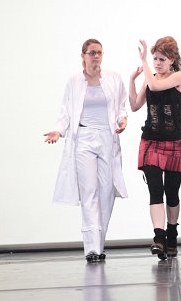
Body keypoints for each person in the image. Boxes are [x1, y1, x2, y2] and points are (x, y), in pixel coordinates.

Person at [44, 38, 128, 263]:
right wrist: (58, 131)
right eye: (92, 53)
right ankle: (92, 248)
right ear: (83, 55)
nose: (96, 56)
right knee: (89, 191)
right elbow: (65, 111)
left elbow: (121, 106)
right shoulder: (74, 81)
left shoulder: (113, 78)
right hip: (84, 138)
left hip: (107, 137)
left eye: (99, 52)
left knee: (107, 191)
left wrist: (123, 119)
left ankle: (99, 243)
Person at [129, 36, 181, 259]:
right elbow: (135, 105)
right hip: (151, 141)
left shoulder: (179, 77)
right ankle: (159, 237)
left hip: (173, 141)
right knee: (155, 190)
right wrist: (132, 80)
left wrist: (144, 61)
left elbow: (156, 86)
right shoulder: (150, 78)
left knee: (172, 193)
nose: (156, 63)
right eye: (154, 58)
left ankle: (172, 234)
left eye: (161, 59)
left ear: (172, 60)